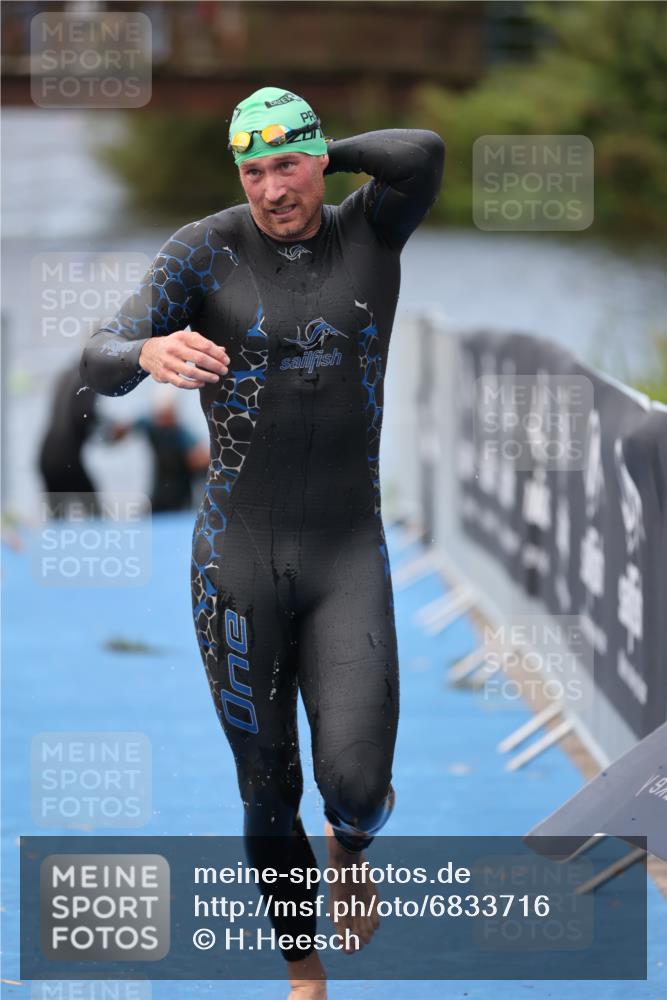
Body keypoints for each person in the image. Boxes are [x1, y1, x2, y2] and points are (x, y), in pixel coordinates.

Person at [80, 86, 444, 999]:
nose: (272, 189)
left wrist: (326, 152)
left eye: (288, 164)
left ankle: (351, 845)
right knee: (266, 786)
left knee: (356, 783)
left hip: (346, 552)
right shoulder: (202, 250)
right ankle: (302, 968)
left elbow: (423, 149)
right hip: (235, 563)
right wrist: (145, 355)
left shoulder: (372, 228)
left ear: (321, 159)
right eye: (252, 171)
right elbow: (97, 350)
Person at [110, 389, 209, 513]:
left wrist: (199, 460)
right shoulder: (150, 425)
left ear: (174, 412)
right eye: (159, 415)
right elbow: (122, 431)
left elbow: (201, 457)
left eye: (166, 414)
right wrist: (115, 430)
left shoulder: (182, 435)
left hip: (181, 494)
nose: (162, 419)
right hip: (160, 489)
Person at [38, 361, 100, 517]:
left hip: (47, 454)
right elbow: (83, 415)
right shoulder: (89, 378)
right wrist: (107, 432)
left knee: (57, 516)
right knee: (95, 512)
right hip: (66, 458)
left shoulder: (67, 373)